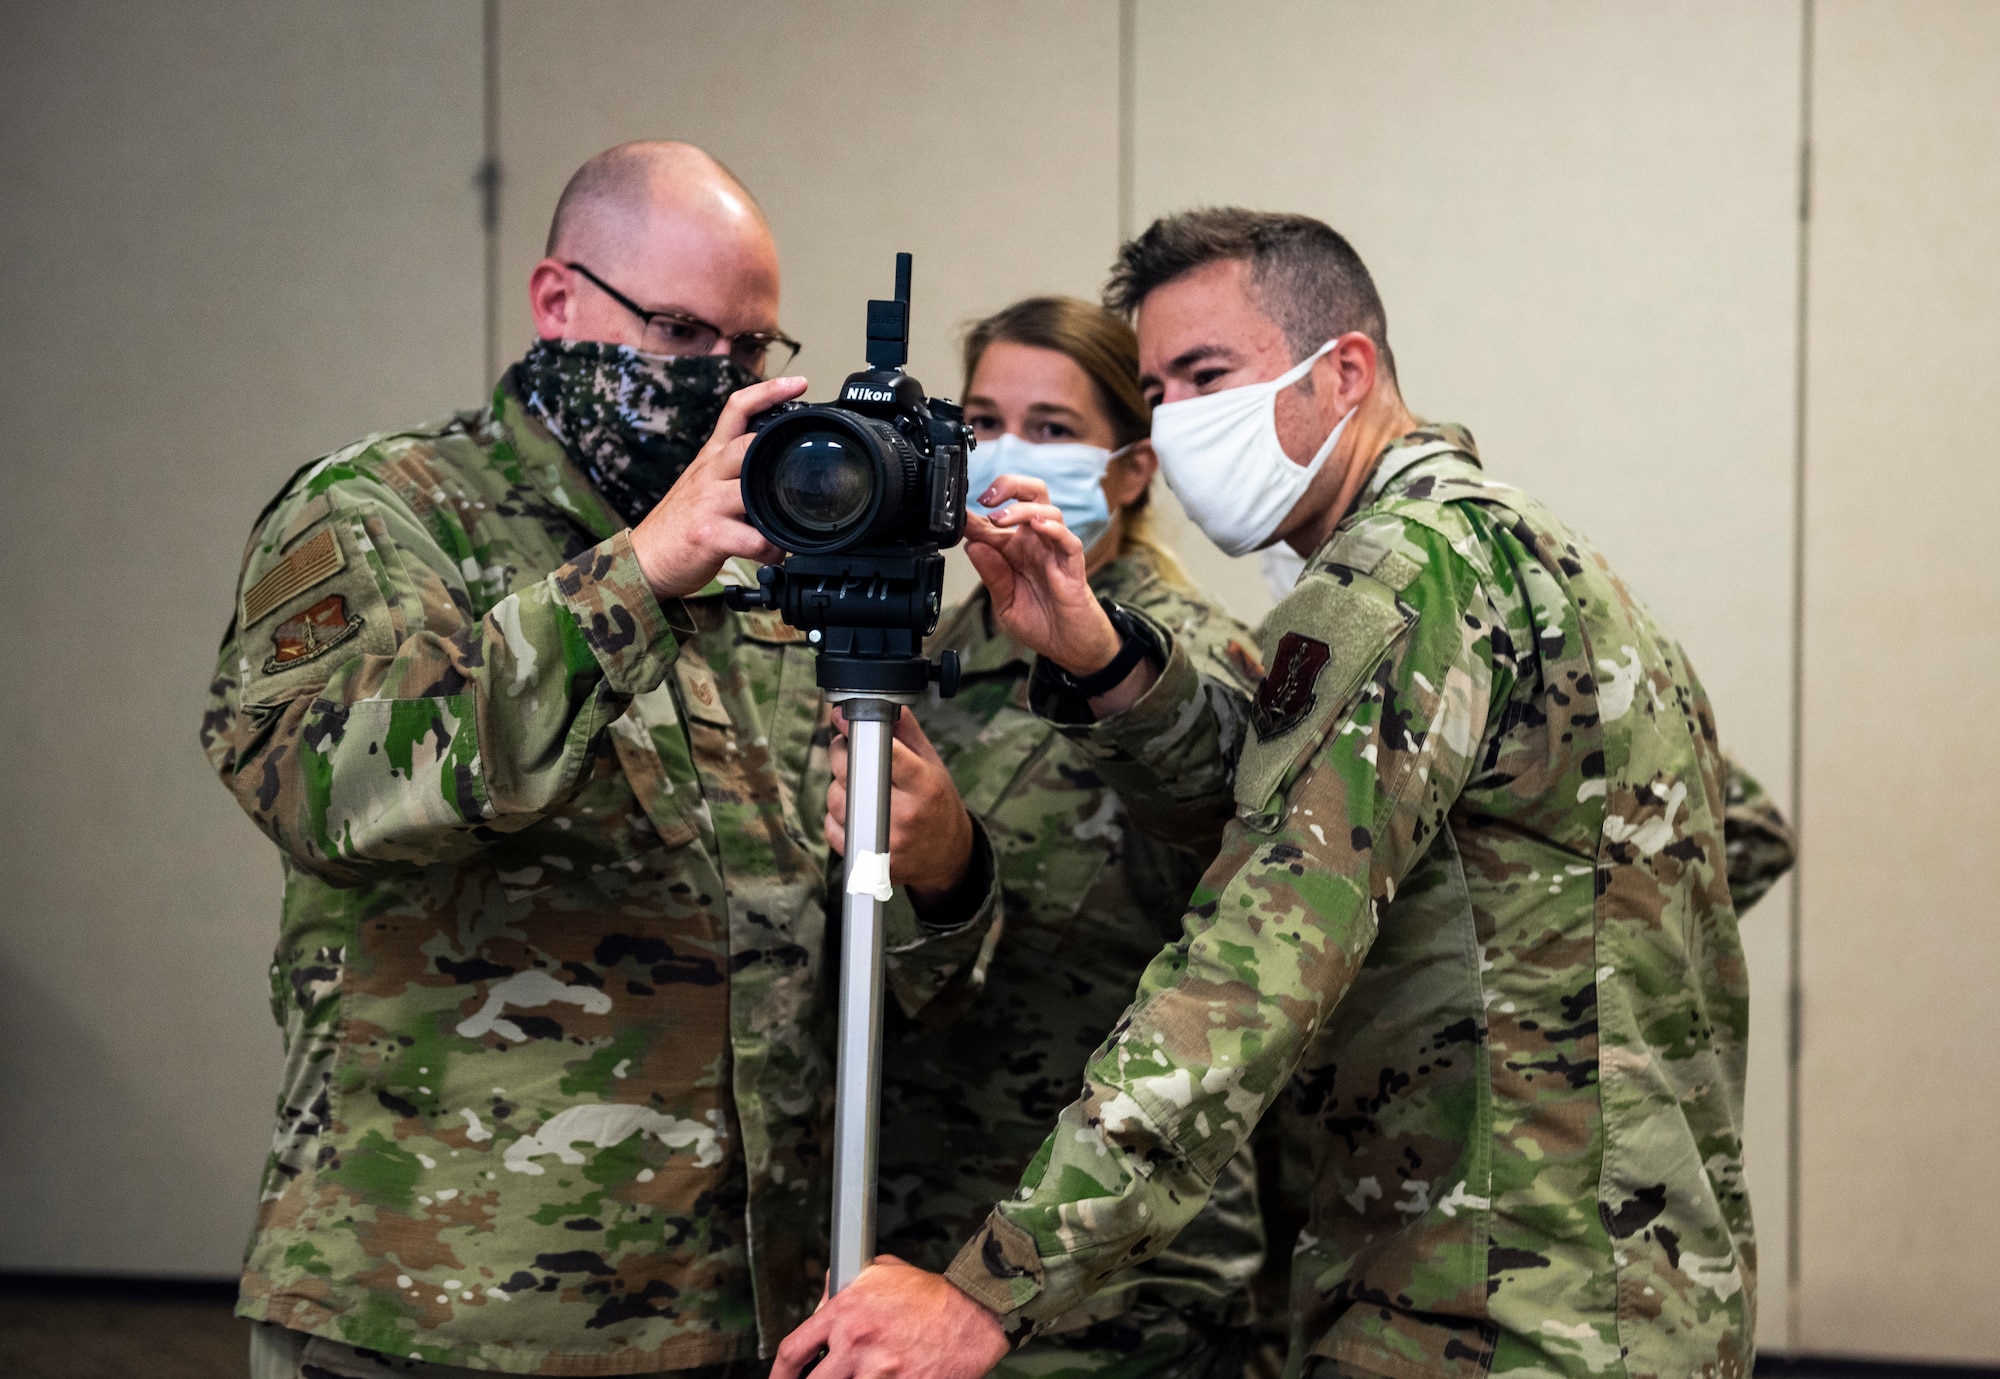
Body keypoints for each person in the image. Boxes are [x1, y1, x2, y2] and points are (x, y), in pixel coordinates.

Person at [775, 208, 1766, 1379]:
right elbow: (1282, 802)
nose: (1184, 421)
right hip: (1602, 1277)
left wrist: (992, 1285)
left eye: (1209, 376)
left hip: (1491, 1300)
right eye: (1160, 387)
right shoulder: (1522, 549)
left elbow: (1255, 956)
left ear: (1342, 369)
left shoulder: (1396, 576)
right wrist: (1106, 662)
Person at [201, 140, 997, 1379]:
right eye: (681, 333)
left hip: (734, 1308)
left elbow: (856, 958)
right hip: (440, 1309)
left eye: (750, 352)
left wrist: (946, 876)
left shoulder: (770, 560)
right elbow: (328, 789)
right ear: (556, 300)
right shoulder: (383, 510)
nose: (719, 382)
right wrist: (636, 575)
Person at [862, 297, 1265, 1379]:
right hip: (916, 1226)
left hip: (1112, 1268)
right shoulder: (925, 654)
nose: (1004, 454)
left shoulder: (1184, 665)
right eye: (981, 420)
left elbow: (1267, 902)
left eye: (1049, 428)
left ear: (1130, 468)